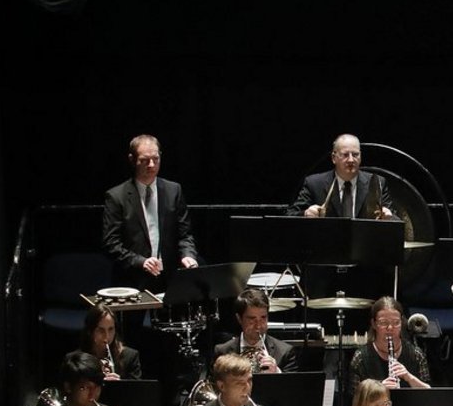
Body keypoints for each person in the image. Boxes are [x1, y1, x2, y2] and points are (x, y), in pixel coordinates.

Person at [99, 133, 200, 286]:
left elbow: (185, 235)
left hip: (169, 277)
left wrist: (188, 255)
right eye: (145, 160)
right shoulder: (116, 196)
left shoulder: (174, 190)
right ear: (132, 160)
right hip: (132, 279)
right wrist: (140, 261)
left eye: (156, 159)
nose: (151, 165)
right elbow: (111, 244)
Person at [294, 132, 397, 219]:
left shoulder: (376, 182)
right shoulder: (314, 184)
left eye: (355, 154)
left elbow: (397, 220)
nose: (351, 160)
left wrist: (389, 217)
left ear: (360, 157)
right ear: (334, 158)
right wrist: (305, 214)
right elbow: (290, 215)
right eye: (345, 155)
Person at [351, 295, 431, 390]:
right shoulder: (361, 357)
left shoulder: (416, 355)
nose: (390, 328)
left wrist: (409, 377)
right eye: (384, 323)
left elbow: (429, 395)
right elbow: (355, 399)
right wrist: (378, 389)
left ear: (402, 322)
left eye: (396, 323)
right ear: (374, 324)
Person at [212, 287, 295, 373]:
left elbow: (293, 386)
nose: (258, 325)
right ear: (239, 319)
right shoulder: (222, 352)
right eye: (252, 319)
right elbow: (215, 384)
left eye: (263, 317)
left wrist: (277, 372)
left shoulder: (285, 352)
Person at [81, 305, 144, 380]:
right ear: (90, 331)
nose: (107, 336)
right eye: (101, 330)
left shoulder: (130, 357)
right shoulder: (77, 359)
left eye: (111, 329)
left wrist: (119, 385)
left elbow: (137, 390)